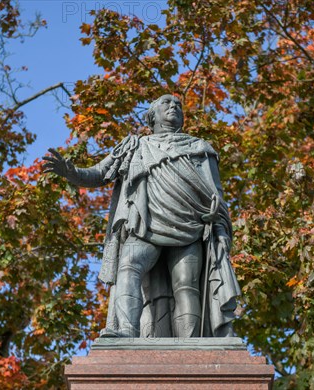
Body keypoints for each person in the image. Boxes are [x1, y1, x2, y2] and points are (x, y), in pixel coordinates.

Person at [43, 95, 240, 338]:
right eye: (166, 103)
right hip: (146, 224)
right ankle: (126, 331)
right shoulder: (135, 146)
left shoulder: (200, 148)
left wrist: (219, 223)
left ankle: (191, 346)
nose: (174, 107)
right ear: (152, 116)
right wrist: (70, 172)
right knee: (128, 267)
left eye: (178, 105)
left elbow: (216, 194)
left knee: (186, 286)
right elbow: (99, 173)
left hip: (190, 225)